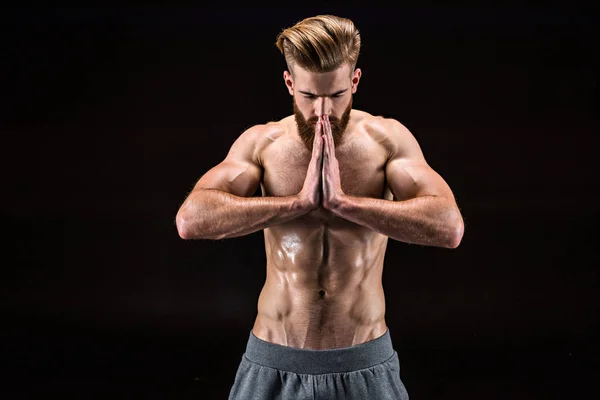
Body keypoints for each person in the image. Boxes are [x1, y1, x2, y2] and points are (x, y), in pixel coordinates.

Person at [175, 14, 464, 400]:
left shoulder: (387, 140)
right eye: (309, 97)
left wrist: (345, 204)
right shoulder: (263, 144)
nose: (323, 112)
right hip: (273, 359)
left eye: (337, 95)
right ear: (289, 83)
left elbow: (449, 227)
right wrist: (298, 203)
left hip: (363, 361)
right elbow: (191, 220)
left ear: (355, 81)